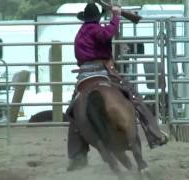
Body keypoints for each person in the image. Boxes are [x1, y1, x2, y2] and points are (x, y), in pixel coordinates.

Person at [66, 2, 168, 171]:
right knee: (133, 97)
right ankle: (154, 133)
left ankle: (77, 154)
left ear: (84, 18)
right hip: (102, 71)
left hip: (84, 75)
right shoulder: (95, 29)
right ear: (97, 18)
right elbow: (107, 34)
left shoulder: (80, 34)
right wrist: (116, 16)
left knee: (73, 113)